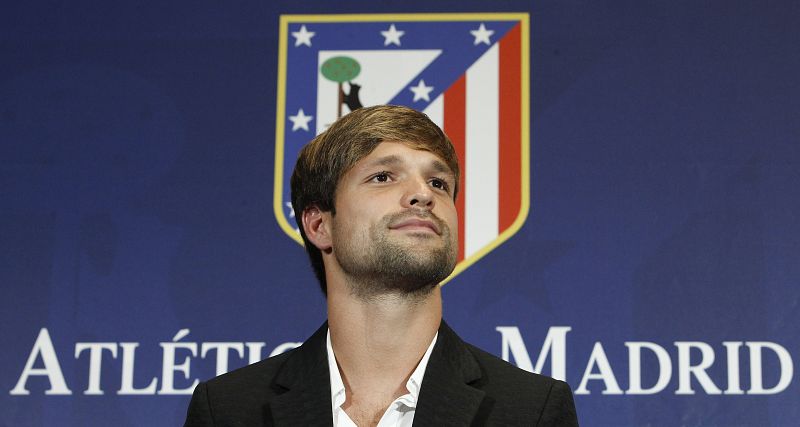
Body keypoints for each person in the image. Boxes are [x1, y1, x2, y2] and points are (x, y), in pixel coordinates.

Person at [184, 105, 579, 426]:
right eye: (384, 176)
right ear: (320, 225)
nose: (422, 194)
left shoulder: (532, 411)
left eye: (439, 183)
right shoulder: (229, 411)